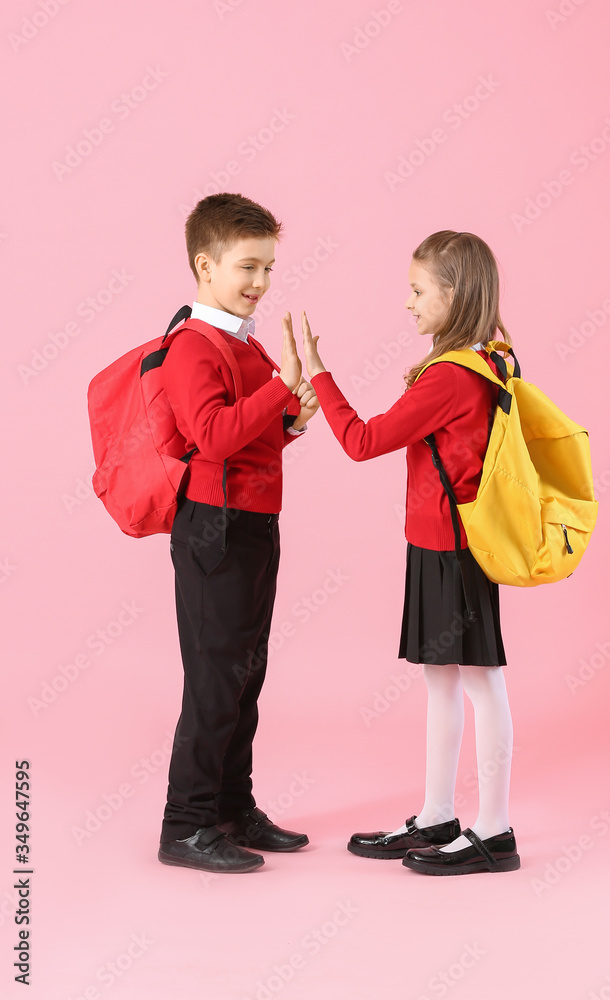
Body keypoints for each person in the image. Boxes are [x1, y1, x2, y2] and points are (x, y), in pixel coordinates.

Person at [295, 230, 521, 875]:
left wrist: (318, 372)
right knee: (443, 680)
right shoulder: (492, 357)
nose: (409, 302)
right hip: (440, 543)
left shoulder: (453, 375)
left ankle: (495, 830)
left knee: (479, 682)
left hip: (453, 547)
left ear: (456, 293)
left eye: (419, 290)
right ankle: (437, 815)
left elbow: (363, 440)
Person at [157, 193, 320, 873]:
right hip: (214, 529)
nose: (260, 282)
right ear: (205, 265)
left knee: (243, 676)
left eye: (268, 268)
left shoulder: (239, 343)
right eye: (248, 266)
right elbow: (214, 436)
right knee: (214, 679)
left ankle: (231, 807)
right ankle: (185, 826)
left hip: (253, 521)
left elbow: (250, 441)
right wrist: (281, 388)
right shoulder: (192, 346)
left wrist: (289, 421)